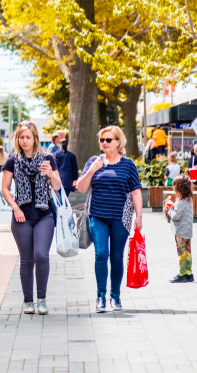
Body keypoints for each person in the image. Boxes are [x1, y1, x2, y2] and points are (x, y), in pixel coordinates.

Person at [76, 125, 143, 313]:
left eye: (108, 140)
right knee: (101, 254)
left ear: (118, 142)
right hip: (97, 216)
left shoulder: (128, 164)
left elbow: (136, 192)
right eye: (102, 140)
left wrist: (139, 215)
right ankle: (100, 296)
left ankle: (115, 296)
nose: (104, 143)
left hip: (121, 218)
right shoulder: (94, 161)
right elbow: (81, 188)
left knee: (116, 257)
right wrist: (91, 170)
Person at [1, 121, 61, 315]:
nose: (24, 141)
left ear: (35, 138)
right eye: (21, 137)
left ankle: (41, 299)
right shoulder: (13, 160)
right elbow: (5, 188)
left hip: (44, 215)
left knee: (41, 255)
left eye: (28, 137)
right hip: (22, 217)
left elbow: (58, 187)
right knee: (26, 260)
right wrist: (15, 208)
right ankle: (28, 301)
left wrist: (51, 174)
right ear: (17, 139)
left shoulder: (48, 158)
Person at [164, 175, 194, 282]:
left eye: (174, 186)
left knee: (181, 252)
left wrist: (169, 210)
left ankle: (182, 273)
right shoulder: (188, 200)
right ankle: (189, 273)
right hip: (188, 230)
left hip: (180, 232)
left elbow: (175, 216)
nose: (173, 188)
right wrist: (173, 206)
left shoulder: (180, 203)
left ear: (178, 188)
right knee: (188, 251)